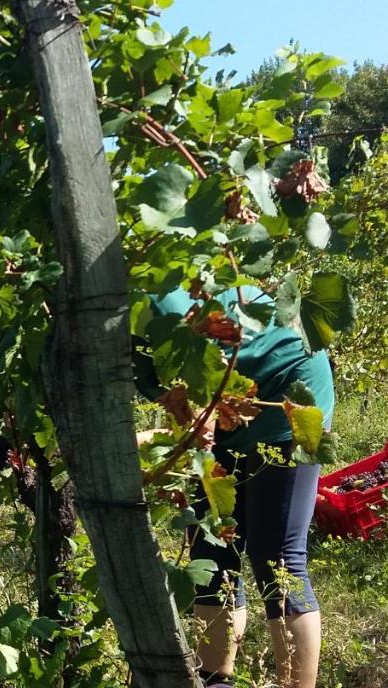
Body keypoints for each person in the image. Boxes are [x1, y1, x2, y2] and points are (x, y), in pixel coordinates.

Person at [135, 286, 334, 688]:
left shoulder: (158, 300)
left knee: (275, 556)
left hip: (286, 393)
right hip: (222, 399)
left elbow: (204, 388)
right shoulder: (90, 313)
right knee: (211, 546)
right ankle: (216, 681)